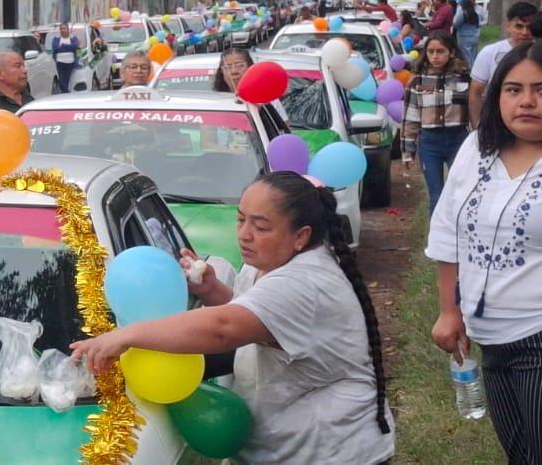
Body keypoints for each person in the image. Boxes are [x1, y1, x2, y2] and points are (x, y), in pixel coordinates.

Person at [71, 173, 394, 465]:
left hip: (332, 453)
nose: (244, 235)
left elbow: (223, 329)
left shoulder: (305, 282)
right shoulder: (267, 262)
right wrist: (214, 291)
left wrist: (125, 336)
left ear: (301, 236)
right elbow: (256, 319)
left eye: (261, 226)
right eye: (240, 220)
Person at [427, 43, 542, 462]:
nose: (526, 101)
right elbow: (447, 231)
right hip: (489, 338)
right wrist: (448, 309)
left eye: (540, 89)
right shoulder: (478, 149)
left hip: (537, 334)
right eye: (513, 89)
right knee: (519, 452)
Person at [402, 31, 471, 211]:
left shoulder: (464, 77)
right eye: (431, 51)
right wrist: (408, 150)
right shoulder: (418, 79)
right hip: (429, 142)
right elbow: (411, 116)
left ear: (451, 52)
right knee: (436, 196)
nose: (435, 56)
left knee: (461, 193)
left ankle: (458, 234)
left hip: (458, 139)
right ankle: (436, 238)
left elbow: (475, 109)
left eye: (440, 51)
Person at [470, 1, 539, 127]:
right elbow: (475, 92)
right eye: (519, 26)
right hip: (496, 123)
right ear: (508, 26)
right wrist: (477, 127)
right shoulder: (489, 53)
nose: (524, 32)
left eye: (529, 27)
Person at [48, 23, 81, 93]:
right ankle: (68, 93)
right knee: (61, 82)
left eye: (64, 28)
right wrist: (69, 47)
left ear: (68, 29)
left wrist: (63, 45)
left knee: (66, 81)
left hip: (70, 63)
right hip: (60, 63)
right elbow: (56, 48)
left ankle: (65, 95)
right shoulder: (56, 39)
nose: (62, 30)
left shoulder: (73, 38)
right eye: (61, 29)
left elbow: (75, 46)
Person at [454, 0, 482, 65]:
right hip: (475, 36)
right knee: (473, 56)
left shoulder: (462, 11)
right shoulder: (474, 12)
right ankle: (475, 71)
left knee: (466, 57)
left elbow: (456, 22)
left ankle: (470, 72)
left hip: (465, 37)